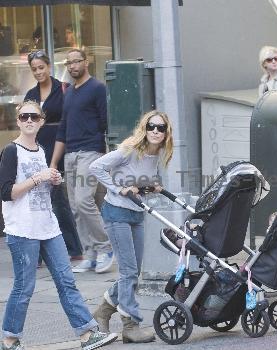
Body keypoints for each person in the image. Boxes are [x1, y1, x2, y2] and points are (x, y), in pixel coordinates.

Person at [0, 100, 118, 350]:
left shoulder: (41, 150)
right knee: (24, 287)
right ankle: (9, 340)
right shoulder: (12, 151)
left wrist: (52, 179)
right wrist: (38, 177)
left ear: (42, 121)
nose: (29, 121)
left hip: (48, 227)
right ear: (18, 120)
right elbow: (7, 192)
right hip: (23, 230)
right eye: (24, 117)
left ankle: (87, 334)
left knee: (66, 281)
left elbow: (40, 191)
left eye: (34, 117)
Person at [89, 110, 173, 343]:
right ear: (144, 129)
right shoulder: (129, 150)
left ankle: (102, 313)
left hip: (136, 213)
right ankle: (130, 325)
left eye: (161, 128)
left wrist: (152, 185)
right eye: (151, 126)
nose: (155, 131)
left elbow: (138, 179)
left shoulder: (157, 155)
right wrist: (119, 188)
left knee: (132, 272)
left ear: (167, 133)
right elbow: (96, 167)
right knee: (128, 272)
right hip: (116, 212)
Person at [50, 48, 113, 274]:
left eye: (76, 62)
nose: (72, 66)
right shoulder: (69, 93)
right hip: (70, 154)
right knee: (76, 207)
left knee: (85, 201)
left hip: (91, 152)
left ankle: (106, 248)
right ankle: (90, 254)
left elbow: (107, 122)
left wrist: (107, 154)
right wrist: (54, 162)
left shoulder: (97, 88)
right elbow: (63, 129)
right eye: (69, 63)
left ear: (86, 62)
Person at [24, 50, 83, 262]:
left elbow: (70, 121)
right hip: (36, 149)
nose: (39, 72)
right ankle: (41, 251)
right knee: (38, 199)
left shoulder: (64, 89)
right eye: (34, 69)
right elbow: (26, 123)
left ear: (49, 67)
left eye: (41, 67)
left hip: (59, 146)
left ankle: (73, 248)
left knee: (57, 199)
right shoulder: (31, 94)